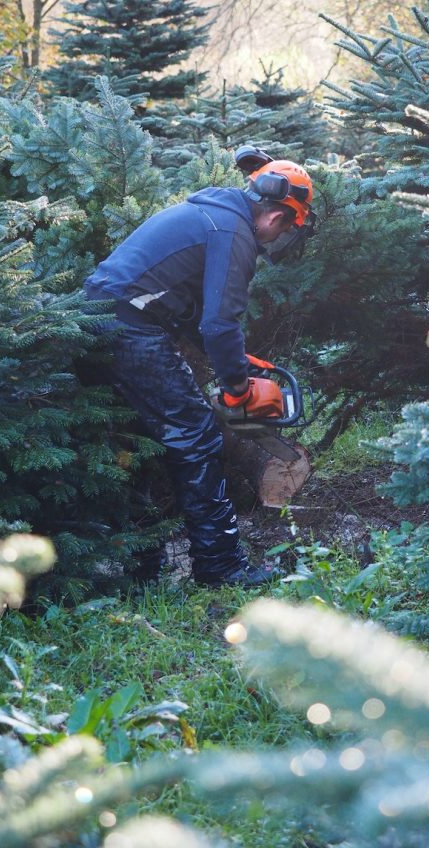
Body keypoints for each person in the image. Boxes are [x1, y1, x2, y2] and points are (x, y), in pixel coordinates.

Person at [84, 150, 315, 587]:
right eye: (287, 227)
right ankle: (220, 566)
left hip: (103, 316)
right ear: (277, 216)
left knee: (137, 438)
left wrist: (236, 361)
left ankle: (142, 560)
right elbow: (219, 322)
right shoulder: (234, 232)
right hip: (127, 326)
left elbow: (183, 306)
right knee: (197, 436)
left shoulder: (212, 212)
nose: (279, 237)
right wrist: (236, 386)